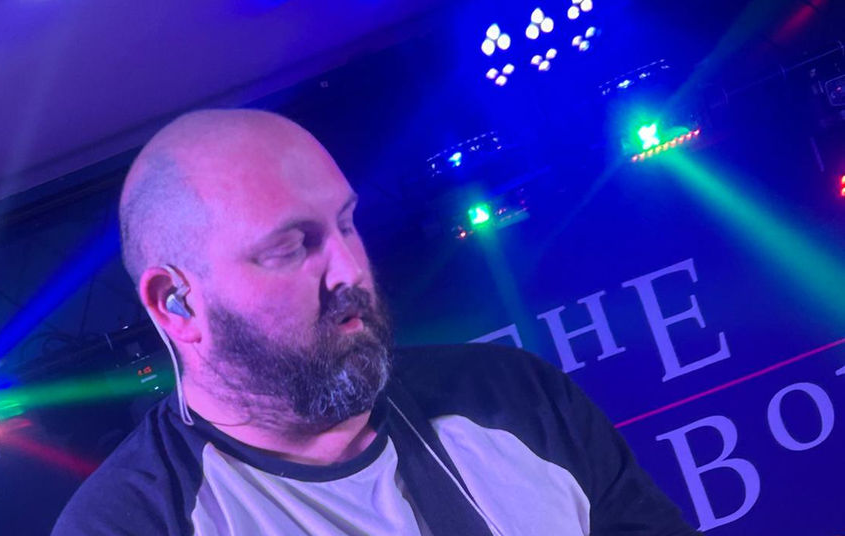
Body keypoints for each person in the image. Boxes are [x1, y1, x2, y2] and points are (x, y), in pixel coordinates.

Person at [52, 109, 700, 535]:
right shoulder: (132, 523)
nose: (348, 270)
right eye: (291, 247)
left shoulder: (512, 396)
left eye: (346, 223)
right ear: (177, 302)